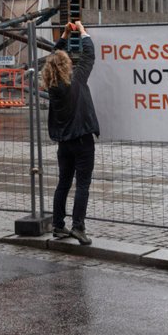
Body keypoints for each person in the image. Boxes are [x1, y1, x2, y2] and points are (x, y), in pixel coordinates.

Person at [42, 20, 100, 245]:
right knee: (82, 184)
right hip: (83, 140)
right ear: (67, 65)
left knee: (63, 183)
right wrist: (83, 32)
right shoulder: (77, 79)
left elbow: (55, 56)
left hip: (64, 143)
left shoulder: (53, 87)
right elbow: (89, 55)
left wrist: (65, 35)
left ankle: (58, 226)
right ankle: (78, 226)